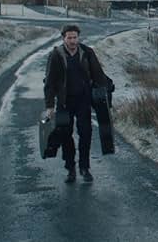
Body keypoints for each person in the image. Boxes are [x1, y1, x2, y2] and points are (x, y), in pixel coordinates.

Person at [44, 24, 110, 183]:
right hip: (64, 102)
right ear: (63, 38)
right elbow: (50, 82)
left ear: (78, 37)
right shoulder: (56, 55)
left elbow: (98, 75)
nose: (73, 41)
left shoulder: (87, 52)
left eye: (75, 37)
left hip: (83, 100)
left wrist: (105, 99)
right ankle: (70, 168)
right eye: (69, 37)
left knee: (86, 134)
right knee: (66, 135)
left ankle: (84, 168)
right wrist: (49, 106)